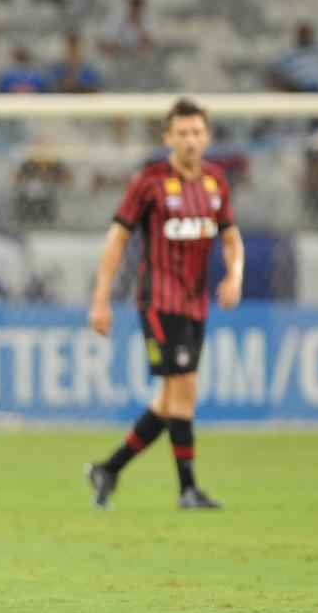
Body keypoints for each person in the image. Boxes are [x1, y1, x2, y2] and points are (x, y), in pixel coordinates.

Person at [85, 98, 244, 510]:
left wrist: (235, 275)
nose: (191, 140)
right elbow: (117, 238)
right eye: (183, 133)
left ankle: (109, 469)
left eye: (197, 132)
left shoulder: (215, 182)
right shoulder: (150, 182)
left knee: (171, 398)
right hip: (159, 301)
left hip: (196, 304)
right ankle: (187, 489)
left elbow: (230, 237)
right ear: (168, 137)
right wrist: (100, 298)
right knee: (184, 389)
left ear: (207, 136)